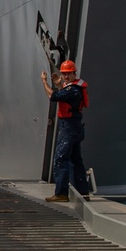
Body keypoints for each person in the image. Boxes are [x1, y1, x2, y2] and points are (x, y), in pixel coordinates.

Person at [40, 59, 89, 201]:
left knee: (60, 159)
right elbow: (64, 95)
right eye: (64, 74)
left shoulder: (72, 90)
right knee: (76, 159)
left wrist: (44, 82)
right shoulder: (74, 89)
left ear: (74, 73)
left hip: (68, 128)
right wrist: (59, 84)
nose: (66, 76)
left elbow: (53, 96)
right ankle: (83, 192)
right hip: (76, 128)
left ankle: (61, 193)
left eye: (68, 74)